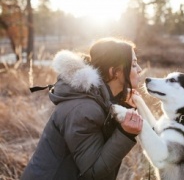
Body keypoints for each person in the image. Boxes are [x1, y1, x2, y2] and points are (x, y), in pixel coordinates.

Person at [21, 37, 143, 180]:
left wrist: (124, 107)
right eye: (134, 64)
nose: (140, 70)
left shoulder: (100, 100)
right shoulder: (83, 110)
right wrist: (125, 133)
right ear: (114, 72)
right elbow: (93, 172)